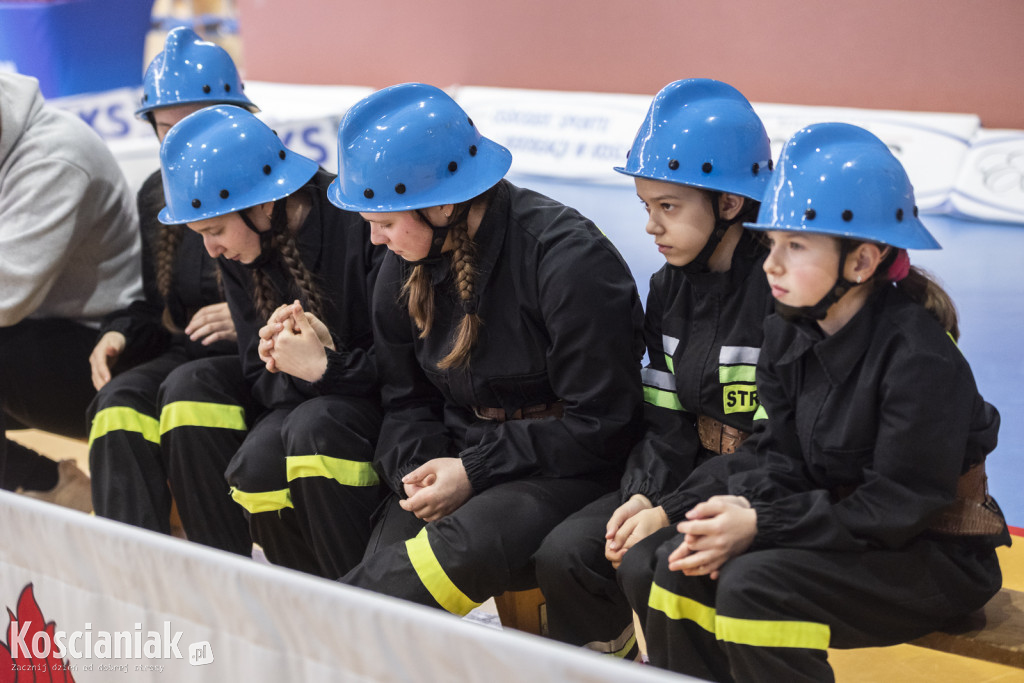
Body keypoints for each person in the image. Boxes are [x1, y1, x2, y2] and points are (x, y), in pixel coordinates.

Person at [618, 122, 1007, 682]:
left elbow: (894, 510)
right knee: (677, 563)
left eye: (795, 246)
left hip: (932, 554)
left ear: (862, 261)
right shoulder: (788, 331)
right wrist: (683, 510)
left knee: (754, 587)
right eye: (772, 243)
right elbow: (776, 459)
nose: (772, 264)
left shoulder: (920, 359)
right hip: (844, 528)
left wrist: (759, 524)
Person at [327, 82, 645, 613]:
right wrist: (425, 470)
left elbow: (604, 426)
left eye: (384, 223)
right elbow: (406, 402)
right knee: (382, 581)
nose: (376, 240)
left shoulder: (568, 260)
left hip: (569, 469)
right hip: (462, 453)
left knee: (389, 594)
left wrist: (475, 470)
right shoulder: (404, 263)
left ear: (443, 205)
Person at [534, 78, 775, 658]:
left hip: (758, 492)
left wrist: (668, 511)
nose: (651, 226)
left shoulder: (783, 292)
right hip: (684, 477)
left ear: (729, 204)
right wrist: (641, 498)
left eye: (668, 207)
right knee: (564, 554)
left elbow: (773, 449)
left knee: (655, 564)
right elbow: (665, 422)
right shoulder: (667, 289)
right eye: (647, 206)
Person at [156, 105, 386, 578]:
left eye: (215, 231)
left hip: (378, 399)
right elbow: (258, 379)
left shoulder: (359, 222)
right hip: (311, 395)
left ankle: (362, 602)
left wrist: (326, 366)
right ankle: (300, 602)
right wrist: (281, 362)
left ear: (264, 204)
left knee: (311, 429)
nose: (211, 250)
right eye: (201, 234)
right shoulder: (240, 249)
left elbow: (407, 369)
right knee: (255, 467)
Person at [87, 26, 256, 534]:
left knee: (188, 394)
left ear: (238, 116)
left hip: (258, 357)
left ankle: (215, 573)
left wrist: (247, 317)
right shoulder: (154, 196)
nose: (181, 141)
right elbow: (157, 305)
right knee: (116, 403)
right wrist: (119, 333)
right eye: (167, 128)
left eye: (195, 124)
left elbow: (328, 305)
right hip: (188, 352)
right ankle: (135, 580)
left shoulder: (278, 184)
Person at [0, 71, 142, 511]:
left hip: (109, 347)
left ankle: (54, 486)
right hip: (38, 330)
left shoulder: (56, 158)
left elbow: (7, 295)